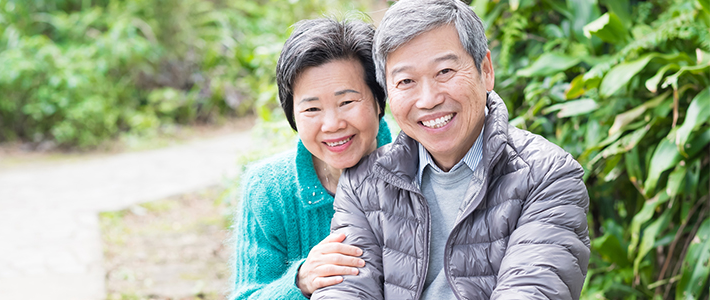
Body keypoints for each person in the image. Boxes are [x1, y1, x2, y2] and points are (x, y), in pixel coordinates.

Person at [312, 0, 590, 299]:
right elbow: (346, 291)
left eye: (444, 71)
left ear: (486, 70)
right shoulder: (363, 184)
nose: (428, 99)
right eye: (406, 81)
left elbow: (533, 290)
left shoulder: (547, 175)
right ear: (388, 92)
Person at [230, 17, 393, 299]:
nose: (332, 124)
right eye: (312, 109)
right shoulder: (269, 189)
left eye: (347, 102)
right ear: (292, 114)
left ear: (379, 100)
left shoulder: (421, 168)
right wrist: (300, 281)